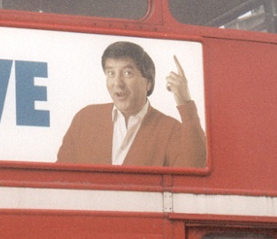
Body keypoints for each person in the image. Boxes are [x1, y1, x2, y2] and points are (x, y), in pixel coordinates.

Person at [56, 41, 206, 168]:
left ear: (147, 83)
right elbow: (60, 177)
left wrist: (185, 103)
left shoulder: (170, 129)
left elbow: (195, 172)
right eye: (111, 73)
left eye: (127, 73)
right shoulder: (85, 118)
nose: (117, 83)